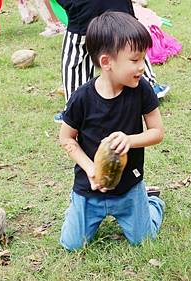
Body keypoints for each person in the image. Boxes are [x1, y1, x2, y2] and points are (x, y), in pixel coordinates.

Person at [58, 11, 165, 251]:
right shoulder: (82, 98)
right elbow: (66, 138)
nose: (142, 67)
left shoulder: (142, 90)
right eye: (135, 60)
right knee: (71, 244)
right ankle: (77, 208)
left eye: (143, 59)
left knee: (143, 240)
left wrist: (130, 140)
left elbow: (157, 132)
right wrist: (90, 169)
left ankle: (153, 203)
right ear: (106, 62)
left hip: (129, 187)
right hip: (89, 190)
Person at [55, 0, 170, 123]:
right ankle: (150, 84)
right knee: (130, 43)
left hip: (84, 8)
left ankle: (73, 106)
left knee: (78, 49)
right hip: (116, 7)